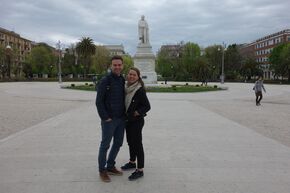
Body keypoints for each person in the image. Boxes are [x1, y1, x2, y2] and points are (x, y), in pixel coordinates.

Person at [96, 55, 126, 183]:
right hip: (109, 120)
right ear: (111, 66)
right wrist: (105, 117)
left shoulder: (122, 79)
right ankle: (102, 171)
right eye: (115, 65)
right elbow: (99, 101)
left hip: (121, 119)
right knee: (105, 145)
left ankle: (110, 166)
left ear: (122, 66)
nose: (117, 67)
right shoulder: (105, 80)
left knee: (118, 143)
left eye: (119, 65)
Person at [121, 67, 151, 181]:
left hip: (136, 121)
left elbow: (147, 106)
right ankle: (132, 162)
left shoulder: (139, 90)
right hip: (128, 120)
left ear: (138, 77)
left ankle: (140, 169)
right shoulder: (126, 87)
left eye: (134, 75)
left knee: (137, 144)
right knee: (130, 142)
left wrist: (137, 112)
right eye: (130, 74)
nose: (131, 76)